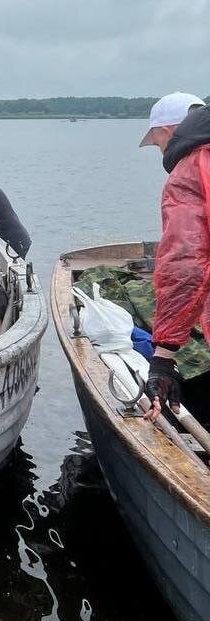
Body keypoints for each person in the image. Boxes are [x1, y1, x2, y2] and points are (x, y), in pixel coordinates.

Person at [138, 92, 210, 421]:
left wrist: (163, 357)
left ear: (167, 133)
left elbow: (187, 266)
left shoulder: (192, 169)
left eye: (155, 142)